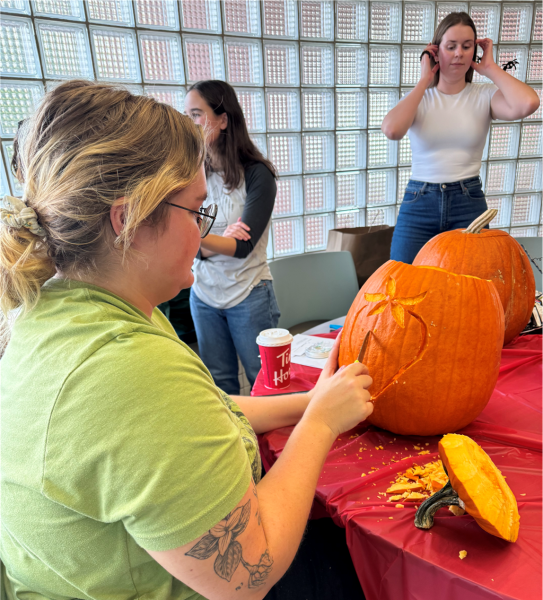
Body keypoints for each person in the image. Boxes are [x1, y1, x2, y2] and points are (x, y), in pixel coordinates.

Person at [0, 80, 374, 600]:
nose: (203, 237)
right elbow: (248, 573)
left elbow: (207, 411)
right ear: (127, 218)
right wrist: (321, 421)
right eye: (197, 212)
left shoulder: (74, 305)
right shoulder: (128, 371)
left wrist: (307, 401)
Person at [382, 12, 540, 264]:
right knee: (403, 279)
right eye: (451, 46)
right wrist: (424, 79)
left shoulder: (484, 95)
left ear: (474, 51)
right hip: (419, 202)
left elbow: (529, 103)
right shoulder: (420, 97)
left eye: (467, 46)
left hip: (468, 202)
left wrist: (490, 68)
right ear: (436, 52)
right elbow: (391, 130)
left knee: (474, 284)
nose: (459, 53)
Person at [184, 81, 278, 395]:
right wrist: (213, 238)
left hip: (249, 294)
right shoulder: (191, 175)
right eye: (187, 115)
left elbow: (242, 247)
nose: (191, 124)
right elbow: (186, 244)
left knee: (263, 383)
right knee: (220, 388)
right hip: (204, 296)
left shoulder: (258, 174)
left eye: (197, 114)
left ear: (223, 119)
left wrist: (201, 237)